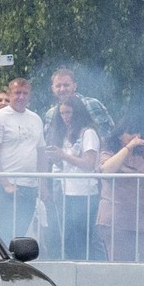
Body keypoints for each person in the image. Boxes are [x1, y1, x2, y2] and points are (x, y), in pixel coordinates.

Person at [0, 74, 47, 240]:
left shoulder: (36, 119)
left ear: (29, 95)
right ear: (10, 94)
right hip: (4, 189)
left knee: (19, 238)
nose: (21, 97)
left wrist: (44, 184)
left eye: (25, 93)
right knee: (1, 236)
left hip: (29, 187)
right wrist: (6, 184)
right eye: (17, 93)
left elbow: (41, 154)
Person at [42, 89, 101, 259]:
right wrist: (56, 158)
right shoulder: (64, 134)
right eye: (62, 113)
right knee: (68, 237)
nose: (65, 117)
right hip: (66, 191)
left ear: (77, 112)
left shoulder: (88, 133)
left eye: (68, 112)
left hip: (85, 193)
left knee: (82, 237)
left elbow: (89, 163)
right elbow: (65, 164)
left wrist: (63, 155)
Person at [96, 131, 144, 260]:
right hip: (117, 219)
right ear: (119, 135)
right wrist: (129, 147)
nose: (135, 136)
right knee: (121, 264)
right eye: (130, 133)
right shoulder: (108, 153)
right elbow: (106, 171)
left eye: (137, 132)